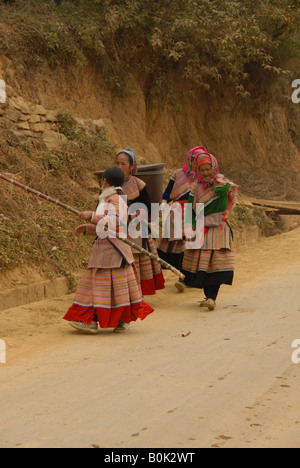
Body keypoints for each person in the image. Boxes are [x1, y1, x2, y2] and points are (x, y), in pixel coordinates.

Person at [63, 167, 154, 334]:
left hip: (113, 252)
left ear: (104, 181)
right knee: (110, 289)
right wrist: (89, 228)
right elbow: (106, 226)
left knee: (99, 287)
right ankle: (120, 320)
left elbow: (113, 223)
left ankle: (91, 321)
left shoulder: (116, 200)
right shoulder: (108, 200)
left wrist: (91, 215)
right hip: (106, 251)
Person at [181, 149, 238, 310]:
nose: (206, 173)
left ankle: (212, 297)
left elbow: (227, 192)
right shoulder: (195, 187)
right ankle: (209, 297)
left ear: (214, 168)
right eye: (202, 170)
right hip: (201, 227)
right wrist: (189, 225)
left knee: (216, 263)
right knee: (203, 263)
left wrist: (219, 185)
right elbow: (190, 208)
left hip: (219, 228)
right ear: (197, 170)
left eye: (208, 169)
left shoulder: (222, 183)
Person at [114, 148, 165, 296]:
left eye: (122, 164)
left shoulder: (138, 184)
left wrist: (135, 213)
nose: (118, 167)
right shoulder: (108, 183)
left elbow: (148, 208)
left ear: (131, 167)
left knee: (135, 261)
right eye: (116, 163)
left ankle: (136, 293)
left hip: (135, 229)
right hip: (115, 228)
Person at [157, 146, 205, 291]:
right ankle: (182, 276)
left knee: (189, 245)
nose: (195, 163)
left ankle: (185, 278)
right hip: (177, 213)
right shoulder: (178, 174)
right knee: (178, 246)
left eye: (199, 161)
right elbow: (167, 193)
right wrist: (164, 203)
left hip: (194, 212)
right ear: (188, 159)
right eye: (193, 160)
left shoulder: (204, 177)